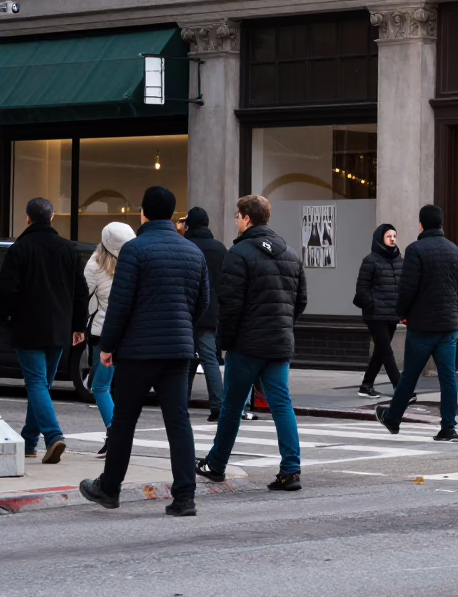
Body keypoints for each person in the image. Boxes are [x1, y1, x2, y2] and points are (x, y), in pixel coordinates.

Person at [79, 186, 209, 517]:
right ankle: (185, 496)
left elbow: (120, 304)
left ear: (143, 213)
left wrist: (107, 346)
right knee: (178, 422)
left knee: (124, 421)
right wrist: (182, 326)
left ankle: (109, 487)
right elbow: (203, 303)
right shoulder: (193, 252)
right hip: (178, 350)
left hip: (138, 351)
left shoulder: (135, 250)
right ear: (171, 213)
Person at [196, 195, 307, 493]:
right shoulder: (290, 253)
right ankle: (290, 469)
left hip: (246, 343)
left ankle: (217, 464)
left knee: (232, 405)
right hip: (279, 341)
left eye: (237, 215)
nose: (235, 220)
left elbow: (230, 304)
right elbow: (301, 301)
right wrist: (282, 324)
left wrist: (225, 341)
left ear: (247, 218)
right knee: (281, 404)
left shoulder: (240, 252)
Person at [0, 197, 88, 464]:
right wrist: (78, 326)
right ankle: (28, 441)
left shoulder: (20, 248)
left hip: (28, 326)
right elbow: (80, 292)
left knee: (36, 384)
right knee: (42, 386)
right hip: (59, 328)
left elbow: (6, 289)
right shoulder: (68, 249)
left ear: (27, 218)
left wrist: (6, 319)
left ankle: (53, 435)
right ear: (52, 217)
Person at [376, 205, 458, 442]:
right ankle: (449, 428)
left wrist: (401, 313)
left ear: (421, 225)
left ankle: (393, 418)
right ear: (441, 224)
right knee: (449, 378)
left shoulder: (415, 250)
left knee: (410, 377)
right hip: (448, 326)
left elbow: (408, 288)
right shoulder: (455, 251)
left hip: (422, 325)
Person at [83, 221, 137, 455]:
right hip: (132, 334)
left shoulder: (94, 265)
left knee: (100, 386)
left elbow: (85, 298)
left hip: (102, 334)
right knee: (121, 386)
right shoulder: (136, 263)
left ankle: (115, 433)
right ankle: (118, 432)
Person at [182, 207, 227, 422]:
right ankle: (217, 405)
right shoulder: (219, 249)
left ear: (189, 225)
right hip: (211, 312)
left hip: (186, 311)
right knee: (209, 359)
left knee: (187, 359)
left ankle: (180, 404)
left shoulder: (185, 246)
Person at [354, 223, 406, 400]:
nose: (392, 239)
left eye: (394, 236)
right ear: (380, 239)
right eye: (388, 236)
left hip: (392, 313)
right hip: (375, 314)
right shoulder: (370, 260)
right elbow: (362, 288)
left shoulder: (399, 260)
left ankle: (366, 385)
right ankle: (400, 388)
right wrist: (372, 306)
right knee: (386, 350)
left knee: (381, 351)